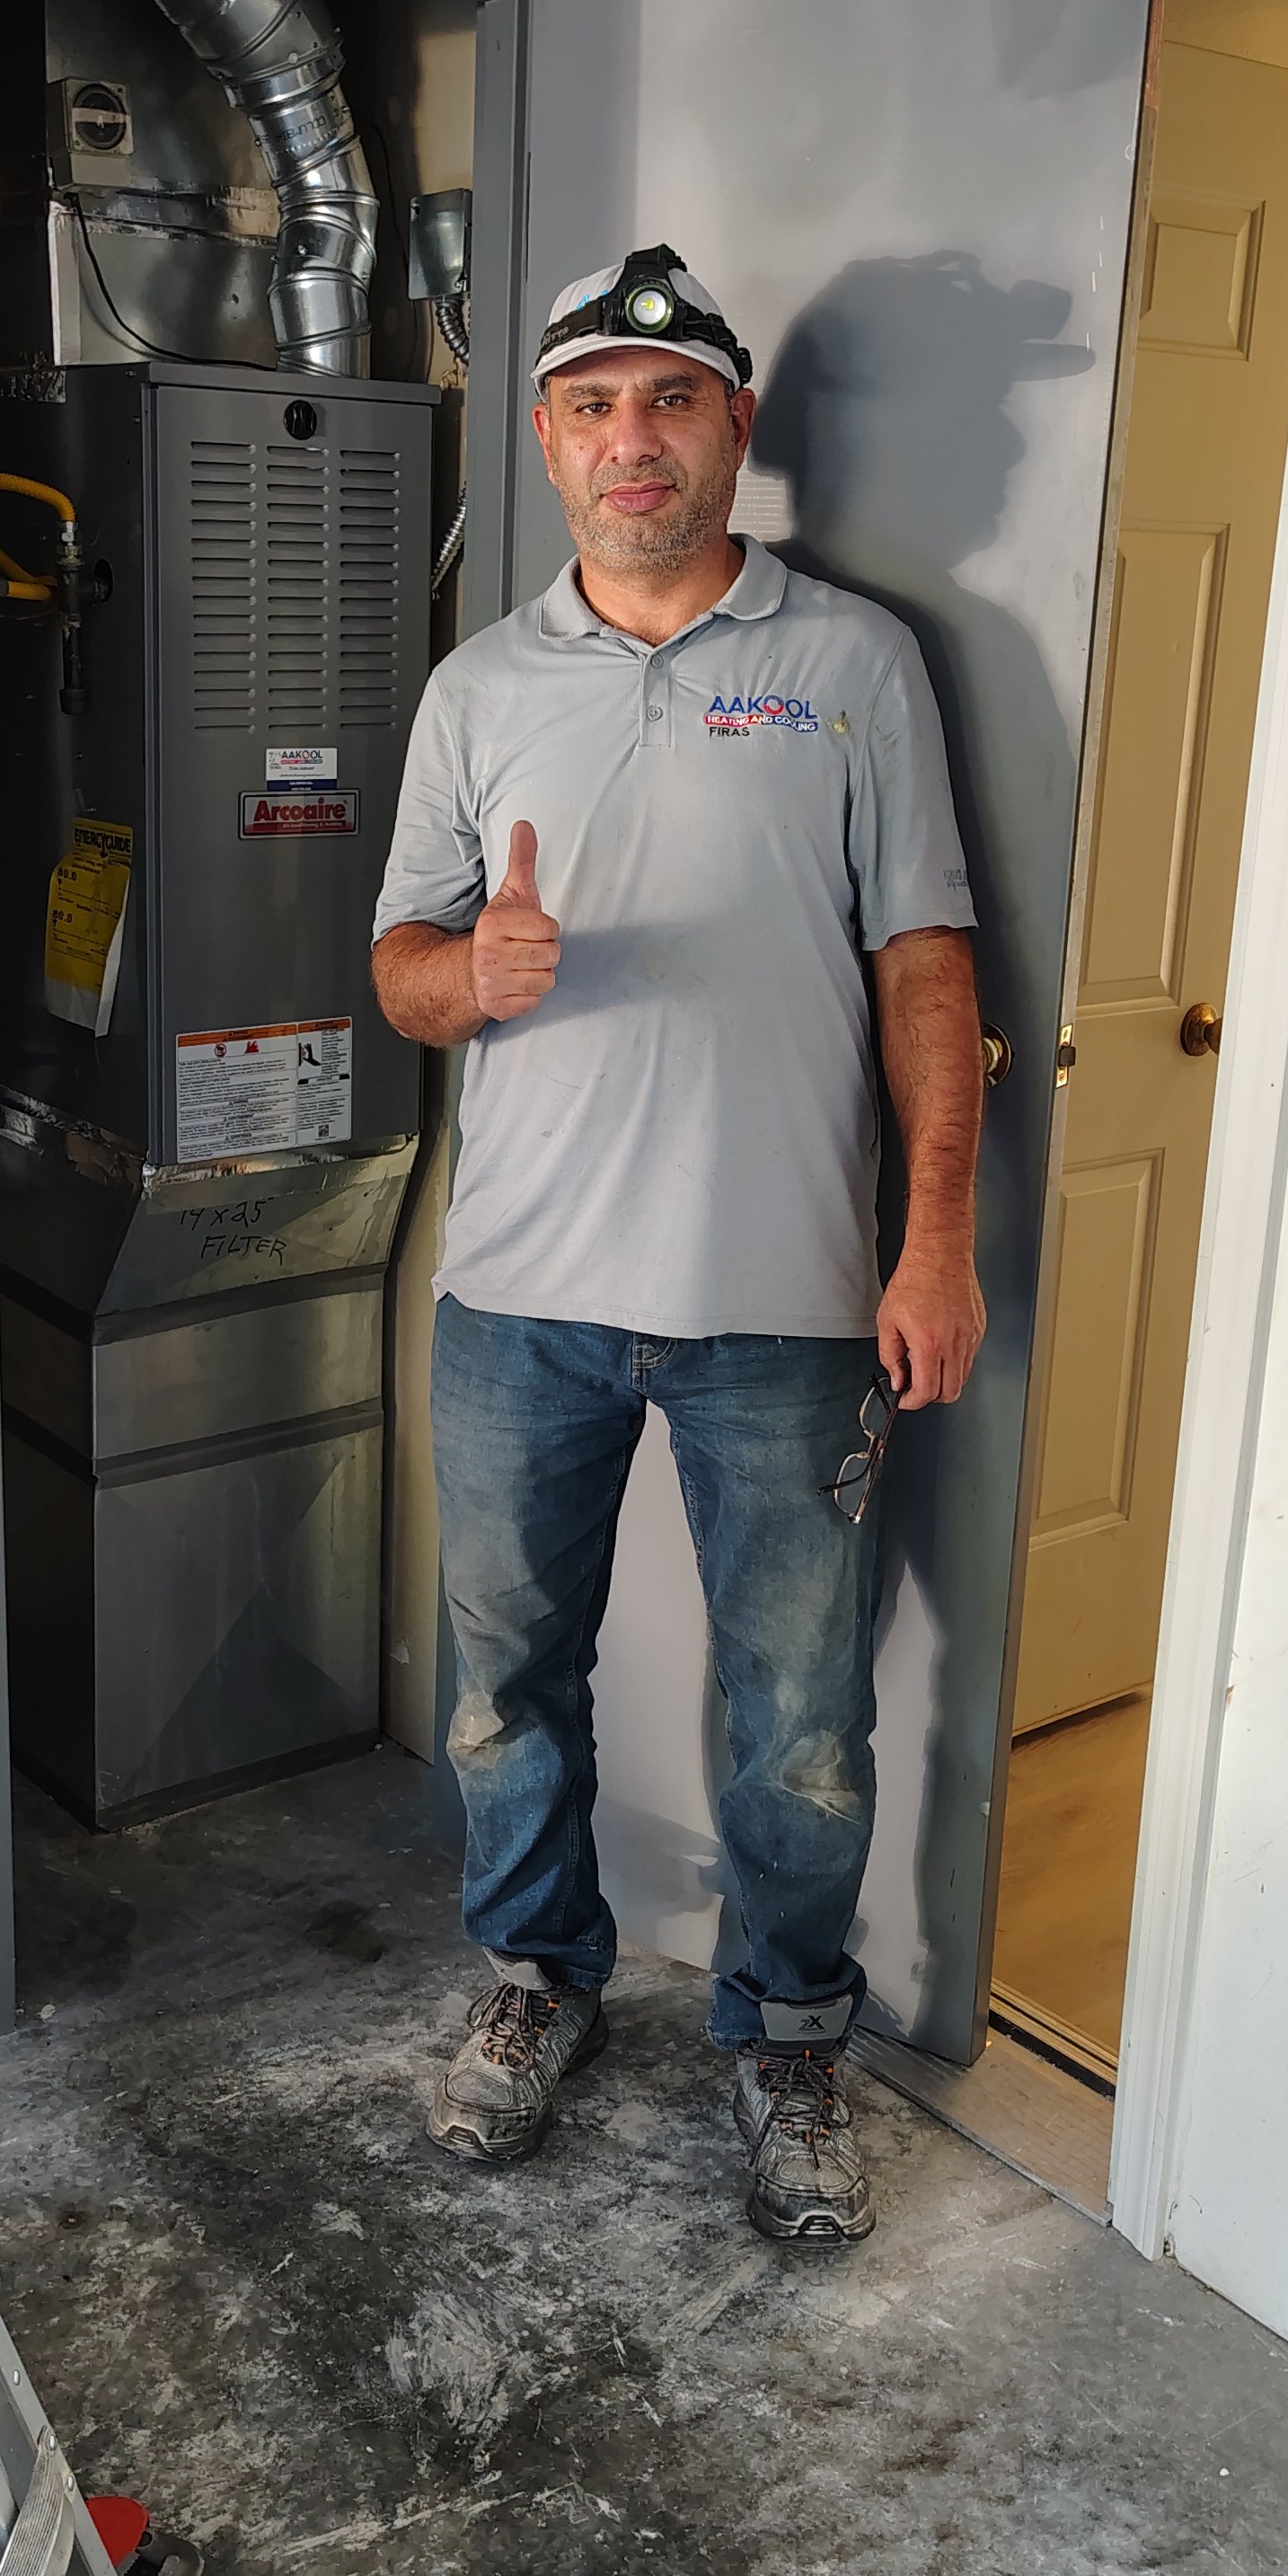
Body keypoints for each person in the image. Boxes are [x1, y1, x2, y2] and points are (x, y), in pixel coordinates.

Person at [370, 247, 985, 2245]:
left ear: (733, 426)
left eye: (670, 401)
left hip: (786, 1304)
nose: (630, 440)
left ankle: (786, 2035)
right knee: (502, 1679)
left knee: (800, 1719)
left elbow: (924, 962)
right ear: (546, 442)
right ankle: (538, 1978)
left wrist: (938, 1242)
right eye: (590, 406)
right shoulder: (479, 687)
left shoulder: (853, 665)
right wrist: (479, 968)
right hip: (519, 1301)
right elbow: (394, 973)